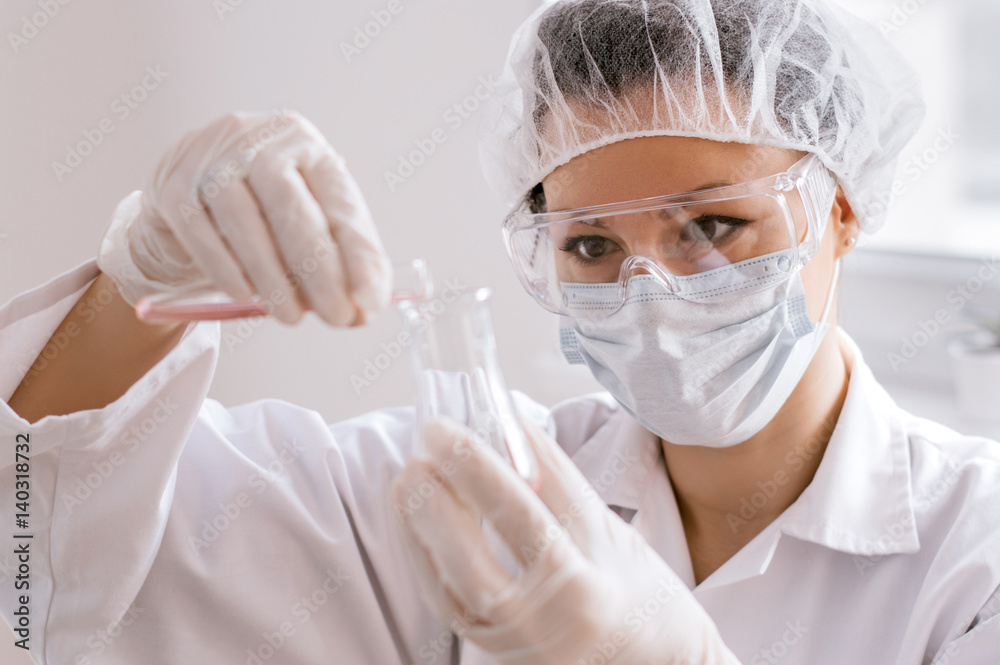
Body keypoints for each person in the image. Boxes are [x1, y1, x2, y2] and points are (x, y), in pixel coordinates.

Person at [3, 0, 1000, 663]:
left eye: (712, 225)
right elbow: (47, 554)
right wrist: (137, 285)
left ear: (840, 211)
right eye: (591, 245)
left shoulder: (976, 552)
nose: (649, 290)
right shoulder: (468, 491)